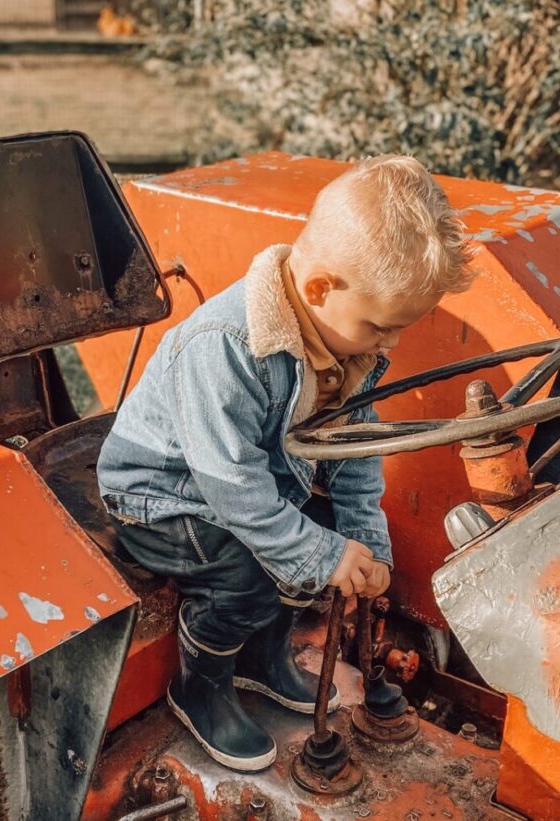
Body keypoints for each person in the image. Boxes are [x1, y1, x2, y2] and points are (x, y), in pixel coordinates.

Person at [97, 155, 474, 772]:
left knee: (314, 537)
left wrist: (364, 543)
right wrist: (319, 554)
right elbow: (228, 483)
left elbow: (351, 454)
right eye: (383, 327)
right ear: (322, 288)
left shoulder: (345, 345)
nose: (393, 345)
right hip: (163, 495)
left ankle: (263, 659)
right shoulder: (225, 345)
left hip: (247, 482)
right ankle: (201, 685)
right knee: (250, 572)